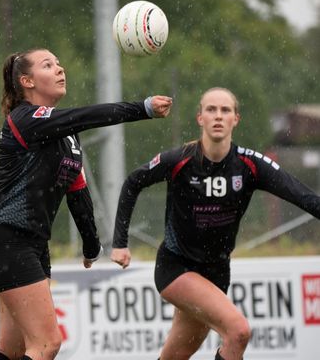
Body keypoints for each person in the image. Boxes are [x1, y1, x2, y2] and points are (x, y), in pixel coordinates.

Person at [0, 47, 173, 360]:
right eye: (48, 64)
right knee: (46, 344)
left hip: (32, 244)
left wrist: (91, 244)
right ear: (27, 81)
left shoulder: (67, 136)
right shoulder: (24, 119)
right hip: (6, 239)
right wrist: (142, 108)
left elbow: (77, 192)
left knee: (11, 351)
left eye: (58, 62)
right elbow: (86, 116)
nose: (59, 69)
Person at [110, 87, 320, 360]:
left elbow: (304, 197)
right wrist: (119, 243)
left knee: (174, 356)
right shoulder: (180, 159)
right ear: (200, 118)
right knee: (238, 331)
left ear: (236, 119)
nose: (218, 116)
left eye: (225, 110)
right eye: (211, 110)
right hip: (176, 267)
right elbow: (132, 182)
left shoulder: (250, 165)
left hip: (217, 272)